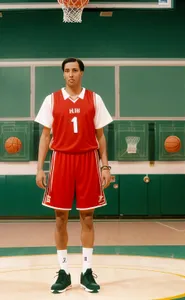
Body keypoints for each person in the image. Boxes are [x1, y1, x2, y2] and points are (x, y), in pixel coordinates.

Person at [35, 57, 113, 294]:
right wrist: (40, 168)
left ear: (82, 73)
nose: (71, 74)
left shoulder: (94, 98)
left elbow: (100, 136)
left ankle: (87, 271)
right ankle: (64, 272)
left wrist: (105, 166)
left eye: (75, 70)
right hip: (61, 159)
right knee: (60, 217)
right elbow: (45, 136)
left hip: (88, 159)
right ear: (63, 74)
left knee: (88, 217)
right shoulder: (52, 99)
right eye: (67, 71)